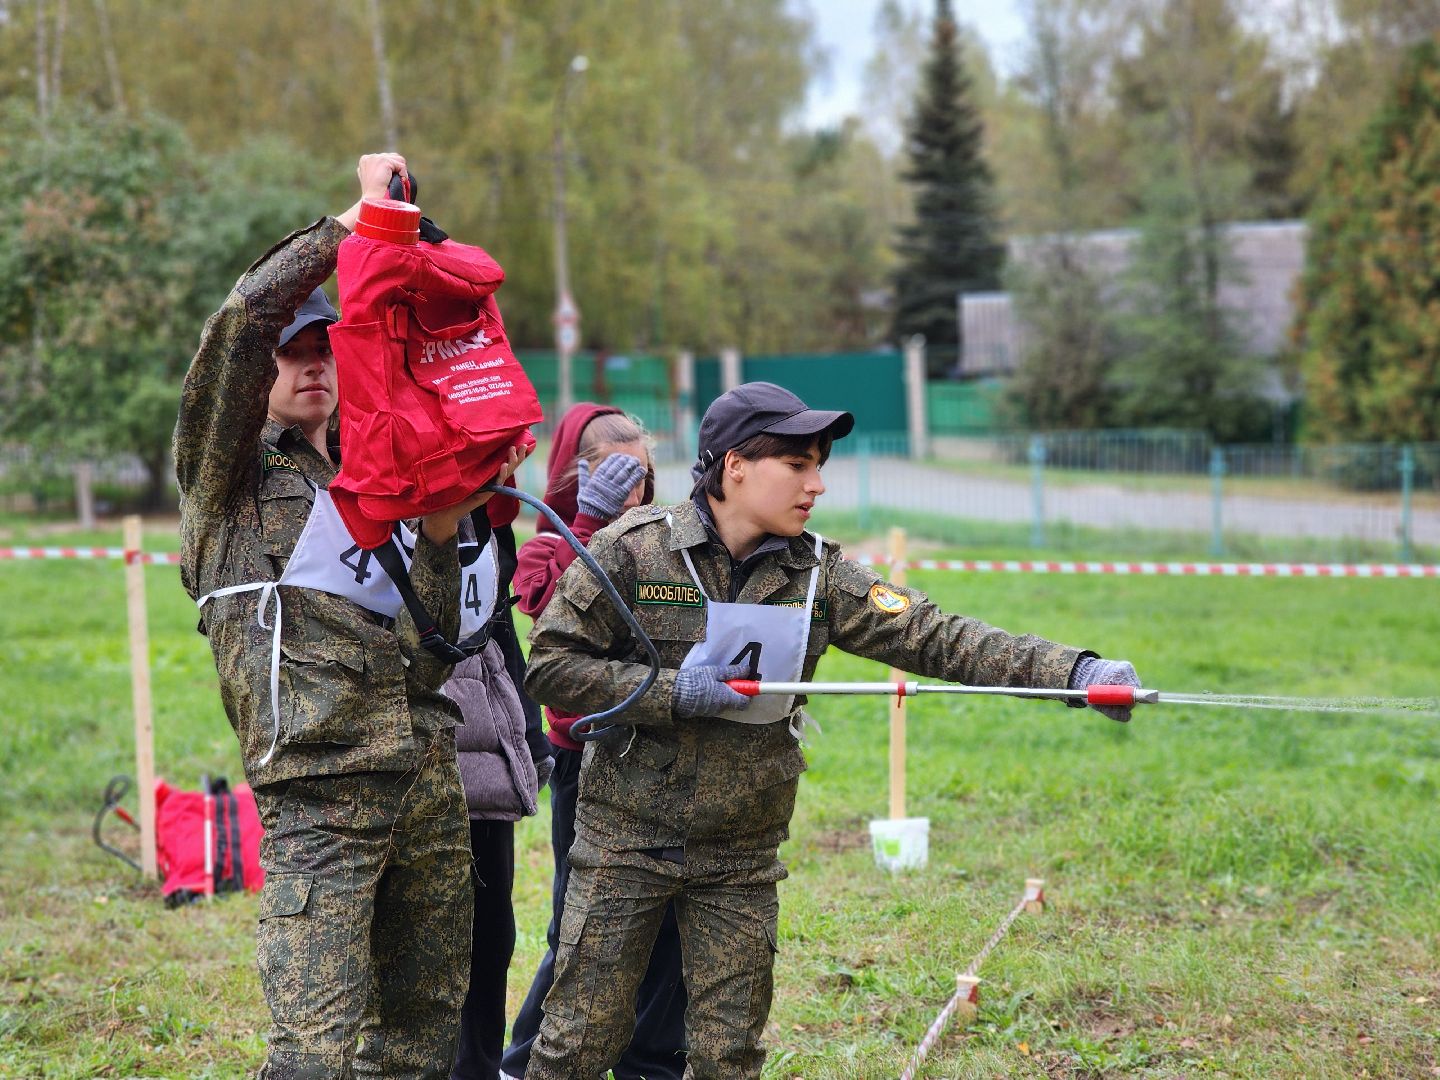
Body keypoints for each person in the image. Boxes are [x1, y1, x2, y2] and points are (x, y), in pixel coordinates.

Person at [519, 382, 1142, 1079]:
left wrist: (1076, 673)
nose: (816, 484)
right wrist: (669, 692)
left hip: (740, 855)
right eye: (797, 465)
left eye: (819, 465)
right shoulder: (633, 551)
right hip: (625, 843)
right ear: (735, 466)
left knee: (729, 1055)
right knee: (577, 1044)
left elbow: (939, 636)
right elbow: (551, 666)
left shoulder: (818, 573)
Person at [174, 152, 522, 1078]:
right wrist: (354, 227)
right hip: (319, 791)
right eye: (291, 354)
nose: (311, 365)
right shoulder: (226, 482)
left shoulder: (381, 475)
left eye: (324, 349)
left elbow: (434, 648)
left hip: (424, 778)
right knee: (314, 1052)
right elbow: (242, 322)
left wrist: (443, 529)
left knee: (422, 1033)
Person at [500, 406, 689, 1080]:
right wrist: (586, 521)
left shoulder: (661, 541)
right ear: (574, 475)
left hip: (659, 757)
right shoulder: (547, 545)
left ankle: (650, 1064)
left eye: (638, 476)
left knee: (668, 919)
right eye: (610, 476)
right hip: (585, 759)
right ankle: (524, 1062)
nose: (628, 493)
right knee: (577, 926)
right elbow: (546, 610)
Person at [445, 515, 555, 1080]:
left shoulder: (487, 520)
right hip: (418, 748)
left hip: (486, 753)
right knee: (435, 936)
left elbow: (497, 624)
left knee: (491, 931)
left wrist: (528, 731)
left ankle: (479, 1068)